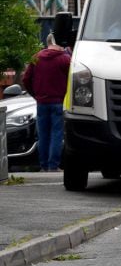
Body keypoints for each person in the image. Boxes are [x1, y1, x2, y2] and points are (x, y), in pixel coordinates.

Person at [22, 33, 71, 172]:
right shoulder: (65, 59)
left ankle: (43, 165)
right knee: (57, 134)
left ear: (47, 42)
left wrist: (35, 94)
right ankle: (53, 166)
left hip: (41, 102)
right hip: (58, 102)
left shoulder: (36, 58)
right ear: (59, 44)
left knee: (43, 135)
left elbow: (26, 79)